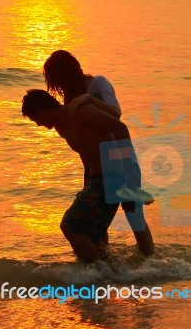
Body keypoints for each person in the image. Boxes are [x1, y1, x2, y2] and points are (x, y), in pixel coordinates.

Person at [22, 89, 154, 263]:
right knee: (91, 233)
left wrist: (129, 177)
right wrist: (87, 186)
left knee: (70, 226)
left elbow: (119, 128)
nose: (38, 124)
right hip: (97, 180)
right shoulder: (62, 128)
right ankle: (113, 271)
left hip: (112, 178)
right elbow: (87, 155)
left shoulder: (80, 113)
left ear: (41, 111)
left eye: (36, 119)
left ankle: (102, 273)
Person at [43, 50, 153, 247]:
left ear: (68, 72)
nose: (58, 85)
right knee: (97, 223)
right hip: (95, 167)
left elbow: (116, 114)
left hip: (121, 156)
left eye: (58, 78)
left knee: (133, 215)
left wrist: (89, 99)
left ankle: (152, 266)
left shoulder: (98, 83)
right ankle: (105, 264)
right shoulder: (70, 98)